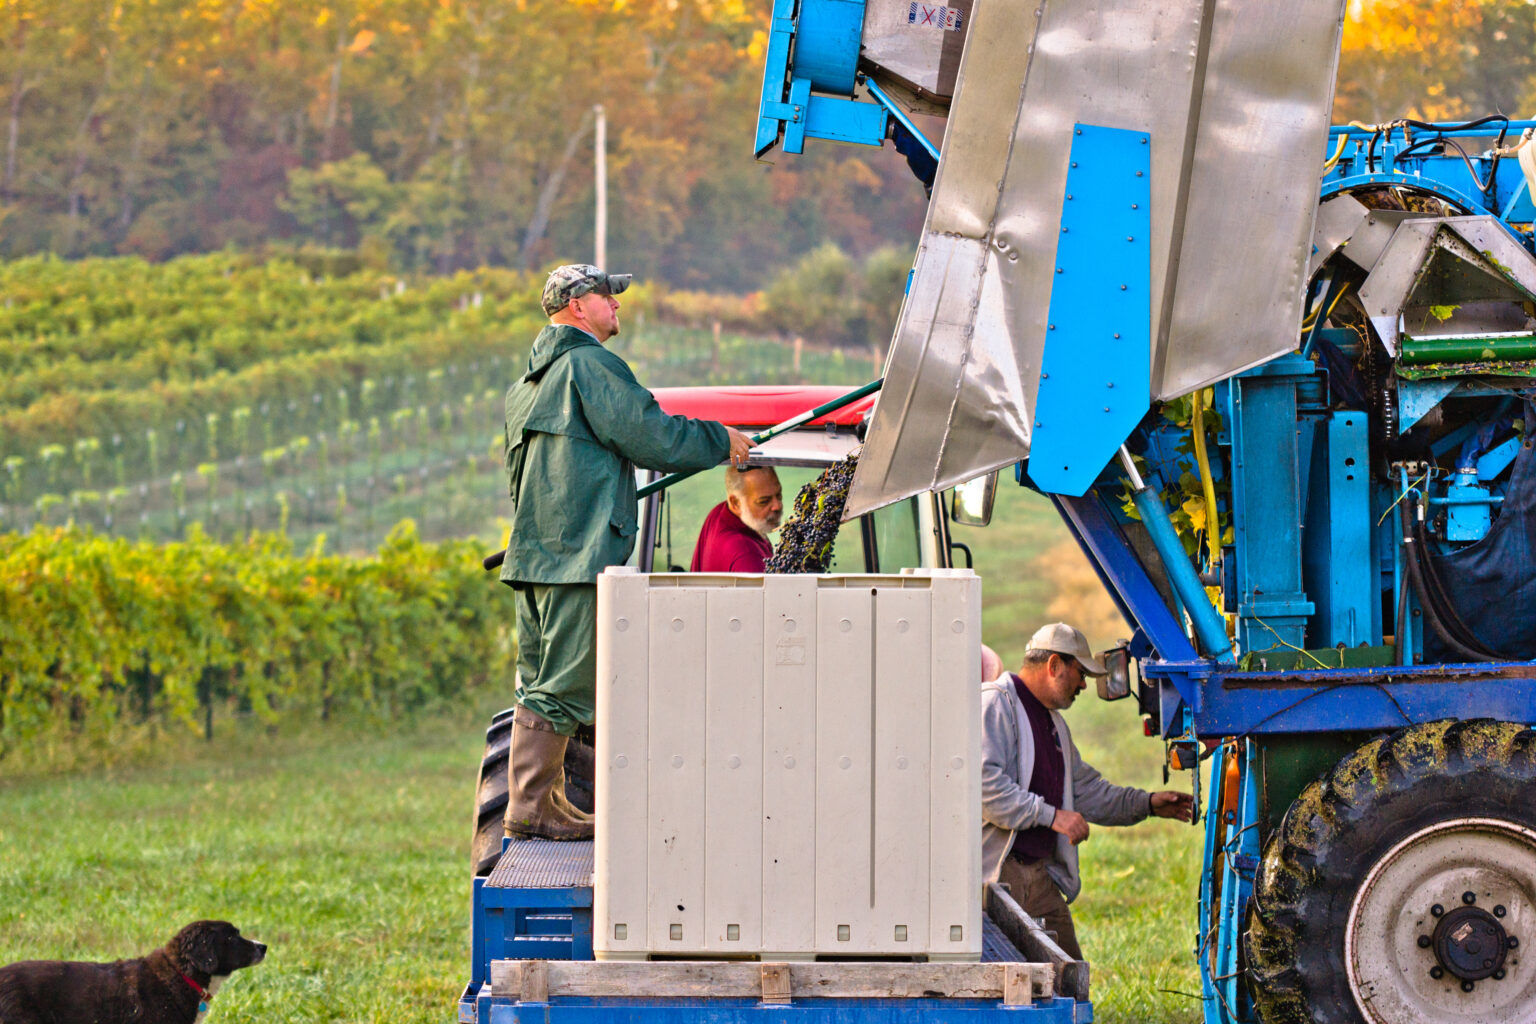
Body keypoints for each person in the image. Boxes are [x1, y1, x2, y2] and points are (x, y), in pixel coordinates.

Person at [501, 264, 754, 840]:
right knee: (564, 685)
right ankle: (530, 806)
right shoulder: (590, 366)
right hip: (579, 555)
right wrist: (721, 440)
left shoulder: (527, 386)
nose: (616, 305)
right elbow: (650, 435)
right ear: (576, 306)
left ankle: (548, 802)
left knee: (541, 680)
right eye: (605, 296)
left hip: (537, 559)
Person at [981, 623, 1193, 959]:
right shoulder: (996, 704)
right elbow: (985, 789)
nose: (1083, 684)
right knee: (1008, 984)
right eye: (1080, 673)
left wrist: (1149, 804)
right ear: (1054, 666)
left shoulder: (1054, 725)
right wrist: (1052, 817)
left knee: (1071, 979)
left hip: (1037, 876)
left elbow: (1089, 792)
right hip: (997, 876)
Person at [690, 466, 783, 572]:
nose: (777, 506)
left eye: (779, 495)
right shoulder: (748, 556)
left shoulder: (718, 513)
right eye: (764, 501)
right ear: (735, 503)